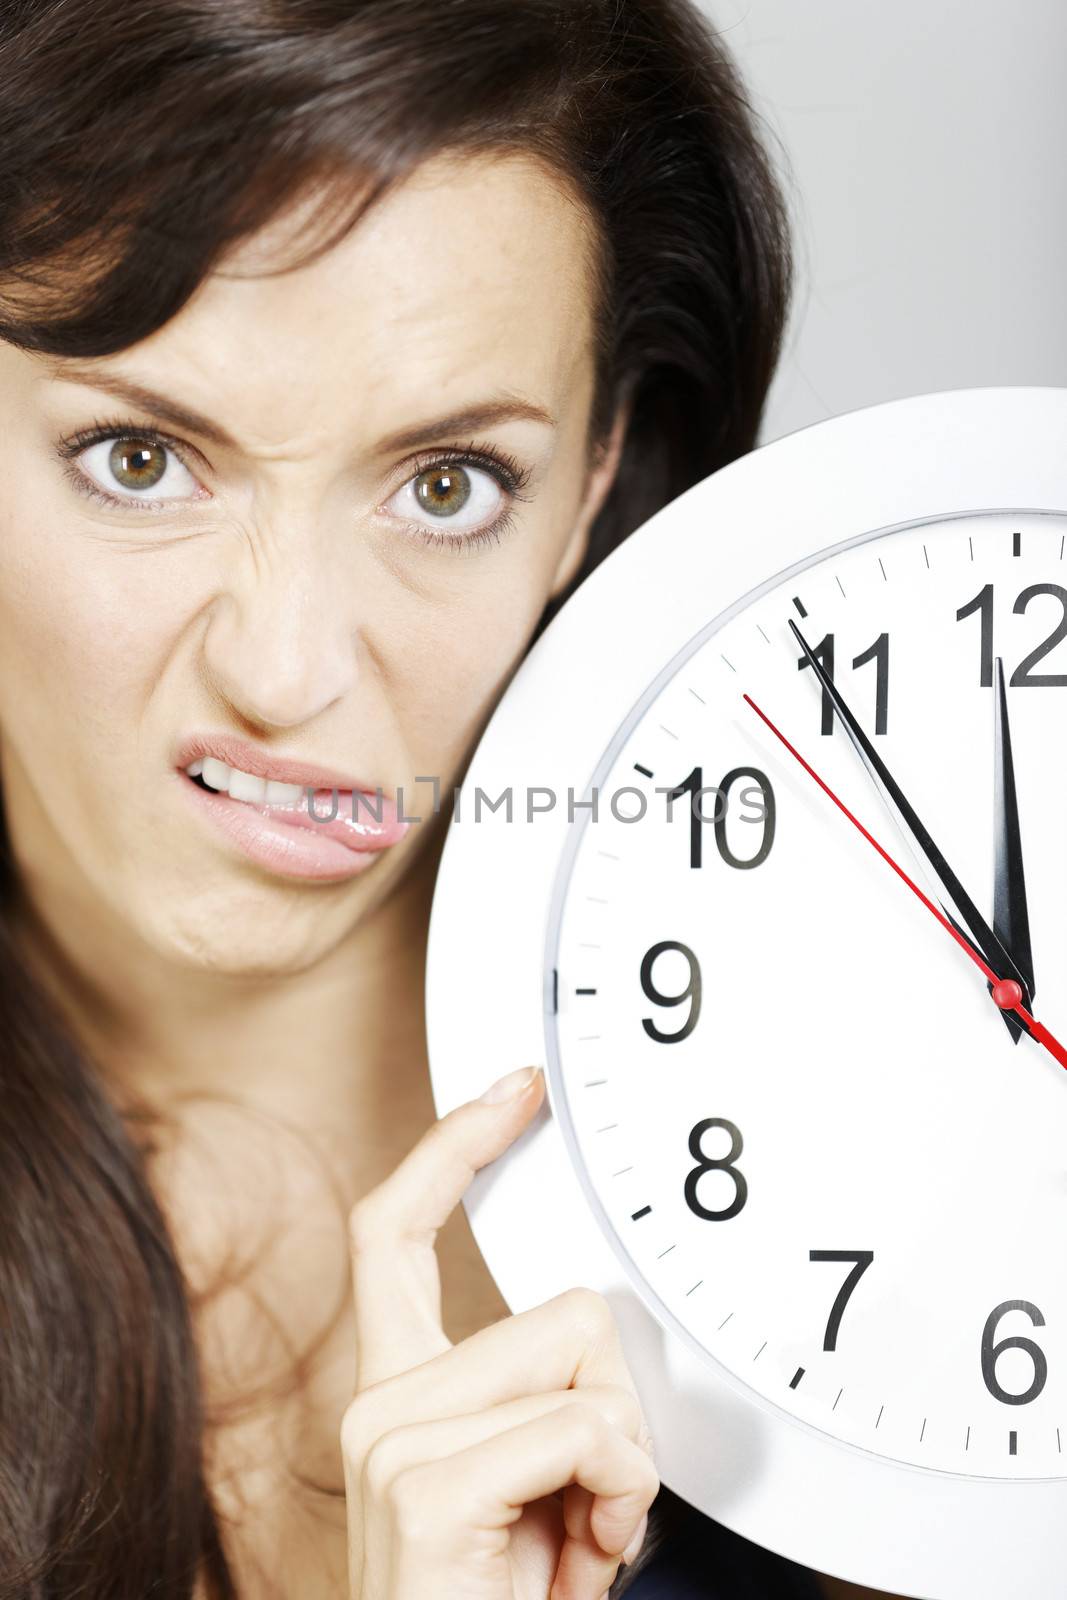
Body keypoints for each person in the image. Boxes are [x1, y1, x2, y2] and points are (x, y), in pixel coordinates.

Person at [0, 0, 892, 1595]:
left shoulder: (862, 1190)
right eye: (140, 458)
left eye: (447, 487)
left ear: (599, 481)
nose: (285, 671)